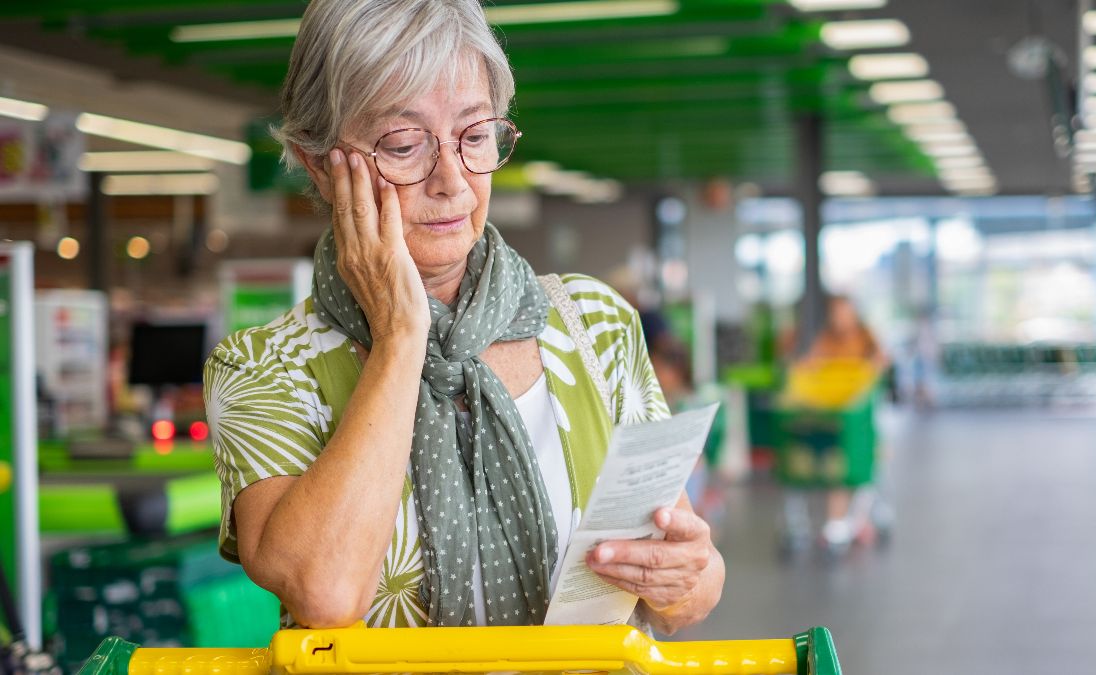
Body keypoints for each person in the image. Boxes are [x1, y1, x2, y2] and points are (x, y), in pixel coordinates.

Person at [202, 0, 723, 633]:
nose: (452, 180)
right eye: (403, 145)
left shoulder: (594, 323)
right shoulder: (264, 368)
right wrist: (400, 337)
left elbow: (684, 594)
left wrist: (687, 575)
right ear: (318, 164)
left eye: (475, 136)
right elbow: (326, 594)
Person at [796, 295, 889, 548]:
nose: (840, 318)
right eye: (836, 313)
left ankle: (856, 520)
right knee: (840, 470)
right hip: (836, 416)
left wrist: (870, 370)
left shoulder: (866, 338)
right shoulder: (826, 339)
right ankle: (840, 523)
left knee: (867, 466)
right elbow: (811, 363)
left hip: (860, 415)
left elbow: (881, 362)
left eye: (844, 312)